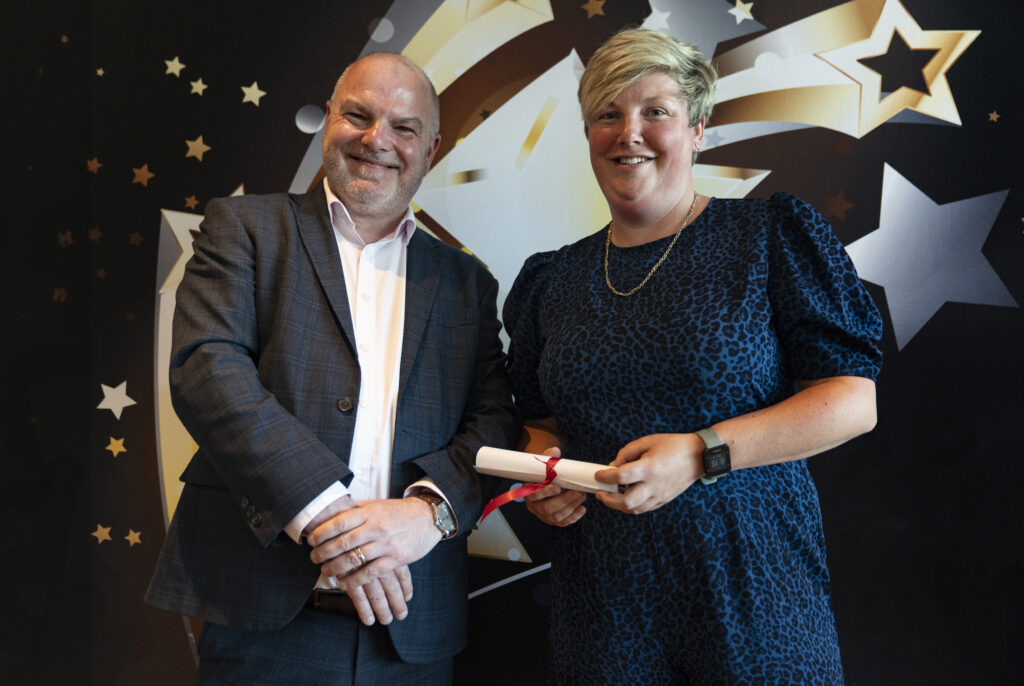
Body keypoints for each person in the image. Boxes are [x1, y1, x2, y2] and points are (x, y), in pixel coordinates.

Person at [503, 28, 883, 685]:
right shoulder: (550, 279)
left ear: (699, 127)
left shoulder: (768, 237)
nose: (630, 133)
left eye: (655, 111)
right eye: (608, 114)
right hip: (602, 607)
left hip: (755, 595)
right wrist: (543, 475)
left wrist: (700, 451)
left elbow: (853, 402)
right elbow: (540, 423)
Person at [145, 52, 520, 685]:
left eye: (403, 128)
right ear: (328, 125)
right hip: (263, 621)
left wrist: (429, 512)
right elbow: (206, 370)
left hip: (413, 636)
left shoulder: (466, 283)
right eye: (359, 115)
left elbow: (495, 420)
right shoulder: (245, 228)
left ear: (430, 151)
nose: (378, 141)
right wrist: (329, 518)